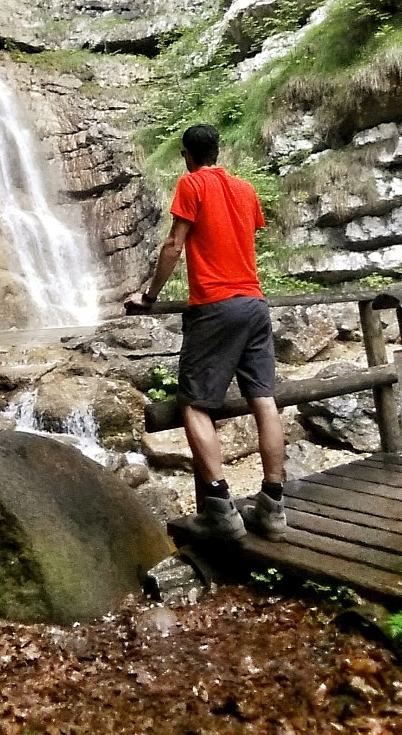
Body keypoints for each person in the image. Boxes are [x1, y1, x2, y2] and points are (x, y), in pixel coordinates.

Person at [124, 123, 286, 542]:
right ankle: (273, 504)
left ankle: (220, 509)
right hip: (254, 303)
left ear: (186, 154)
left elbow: (175, 245)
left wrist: (149, 295)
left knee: (194, 404)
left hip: (216, 306)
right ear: (218, 149)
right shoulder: (245, 190)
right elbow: (242, 236)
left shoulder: (192, 184)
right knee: (264, 400)